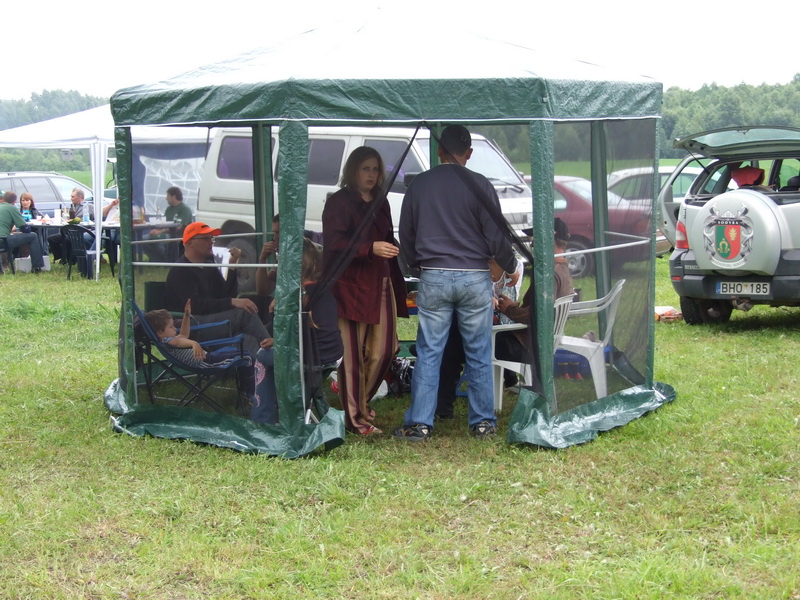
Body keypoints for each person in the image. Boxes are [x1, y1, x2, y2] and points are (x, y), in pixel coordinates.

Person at [396, 125, 518, 441]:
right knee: (478, 352)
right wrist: (510, 264)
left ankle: (420, 423)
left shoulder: (419, 185)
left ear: (439, 150)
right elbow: (497, 234)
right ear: (469, 153)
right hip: (475, 277)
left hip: (434, 275)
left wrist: (416, 265)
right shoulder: (480, 184)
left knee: (429, 352)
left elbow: (406, 233)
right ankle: (482, 423)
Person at [322, 146, 408, 435]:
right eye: (365, 168)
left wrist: (393, 251)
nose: (371, 174)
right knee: (352, 356)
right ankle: (356, 418)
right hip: (349, 286)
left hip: (381, 280)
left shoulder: (382, 201)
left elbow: (388, 238)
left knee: (386, 349)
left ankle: (357, 403)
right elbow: (333, 244)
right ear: (353, 171)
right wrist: (369, 248)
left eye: (375, 169)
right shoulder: (338, 202)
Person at [251, 238, 343, 424]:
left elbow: (288, 332)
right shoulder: (325, 289)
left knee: (263, 356)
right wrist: (278, 341)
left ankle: (263, 418)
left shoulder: (296, 296)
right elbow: (309, 330)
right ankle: (283, 405)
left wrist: (274, 312)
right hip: (333, 356)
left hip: (310, 359)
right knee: (274, 354)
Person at [165, 222, 271, 358]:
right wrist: (233, 302)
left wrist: (232, 266)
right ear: (190, 242)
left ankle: (260, 369)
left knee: (247, 339)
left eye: (212, 238)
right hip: (192, 326)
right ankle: (276, 353)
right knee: (245, 313)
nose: (211, 242)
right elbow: (196, 306)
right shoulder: (180, 270)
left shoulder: (208, 265)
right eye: (205, 238)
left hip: (210, 321)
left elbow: (226, 295)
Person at [495, 218, 575, 364]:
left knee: (472, 337)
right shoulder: (563, 269)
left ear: (549, 240)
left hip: (526, 346)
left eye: (535, 239)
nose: (531, 244)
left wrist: (509, 309)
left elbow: (537, 315)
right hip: (536, 342)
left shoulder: (549, 274)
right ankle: (507, 375)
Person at [144, 299, 254, 397]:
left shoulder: (169, 340)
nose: (174, 328)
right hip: (206, 362)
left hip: (209, 357)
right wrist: (194, 343)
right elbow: (178, 342)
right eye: (171, 327)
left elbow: (183, 335)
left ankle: (245, 388)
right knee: (246, 356)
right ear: (160, 332)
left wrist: (186, 316)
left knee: (242, 354)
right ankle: (250, 392)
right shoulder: (167, 341)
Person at [0, 191, 45, 273]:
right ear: (14, 202)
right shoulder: (12, 208)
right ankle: (37, 267)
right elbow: (25, 229)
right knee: (33, 236)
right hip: (3, 241)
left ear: (3, 199)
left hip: (3, 238)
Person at [145, 186, 193, 262]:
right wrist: (156, 230)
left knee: (157, 241)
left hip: (178, 236)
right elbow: (164, 223)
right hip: (166, 233)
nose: (166, 198)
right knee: (144, 239)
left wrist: (160, 232)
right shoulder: (168, 209)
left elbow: (179, 228)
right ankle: (156, 260)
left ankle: (165, 260)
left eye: (167, 196)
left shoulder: (185, 209)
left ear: (173, 197)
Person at [48, 188, 86, 263]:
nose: (71, 198)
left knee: (67, 239)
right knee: (51, 239)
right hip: (69, 231)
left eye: (73, 197)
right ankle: (61, 257)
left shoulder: (86, 207)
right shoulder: (72, 207)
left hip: (80, 232)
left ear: (80, 197)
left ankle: (69, 259)